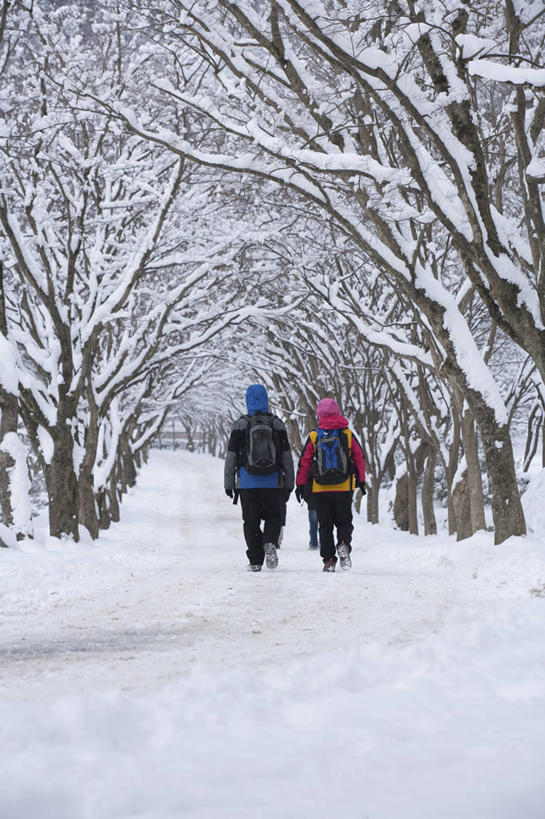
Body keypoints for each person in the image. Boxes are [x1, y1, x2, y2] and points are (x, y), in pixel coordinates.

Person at [224, 385, 294, 571]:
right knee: (273, 516)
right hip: (273, 482)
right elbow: (287, 455)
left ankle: (255, 561)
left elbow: (231, 455)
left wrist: (229, 482)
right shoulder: (276, 423)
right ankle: (270, 541)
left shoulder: (241, 424)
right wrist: (289, 483)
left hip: (247, 482)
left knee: (251, 521)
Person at [295, 398, 366, 572]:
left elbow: (304, 462)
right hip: (343, 487)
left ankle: (328, 560)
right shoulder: (347, 434)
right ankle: (343, 544)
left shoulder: (314, 435)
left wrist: (300, 485)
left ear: (319, 415)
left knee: (325, 526)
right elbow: (359, 457)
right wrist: (361, 480)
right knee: (344, 522)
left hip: (320, 489)